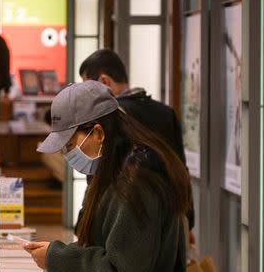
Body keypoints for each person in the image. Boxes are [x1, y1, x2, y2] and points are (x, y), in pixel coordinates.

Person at [25, 81, 192, 272]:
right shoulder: (118, 168)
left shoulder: (135, 181)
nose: (66, 155)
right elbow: (108, 243)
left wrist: (56, 258)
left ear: (98, 132)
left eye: (69, 144)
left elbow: (122, 270)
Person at [79, 48, 195, 233]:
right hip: (167, 223)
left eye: (88, 88)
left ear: (104, 81)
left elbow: (97, 177)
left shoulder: (109, 118)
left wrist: (86, 224)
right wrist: (187, 222)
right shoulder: (165, 113)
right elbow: (180, 169)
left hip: (122, 224)